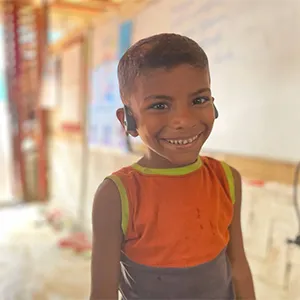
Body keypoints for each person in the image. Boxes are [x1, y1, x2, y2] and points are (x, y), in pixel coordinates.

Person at [90, 33, 256, 300]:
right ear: (128, 120)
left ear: (213, 105)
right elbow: (103, 292)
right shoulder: (116, 196)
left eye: (198, 100)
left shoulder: (226, 179)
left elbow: (238, 267)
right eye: (159, 105)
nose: (183, 120)